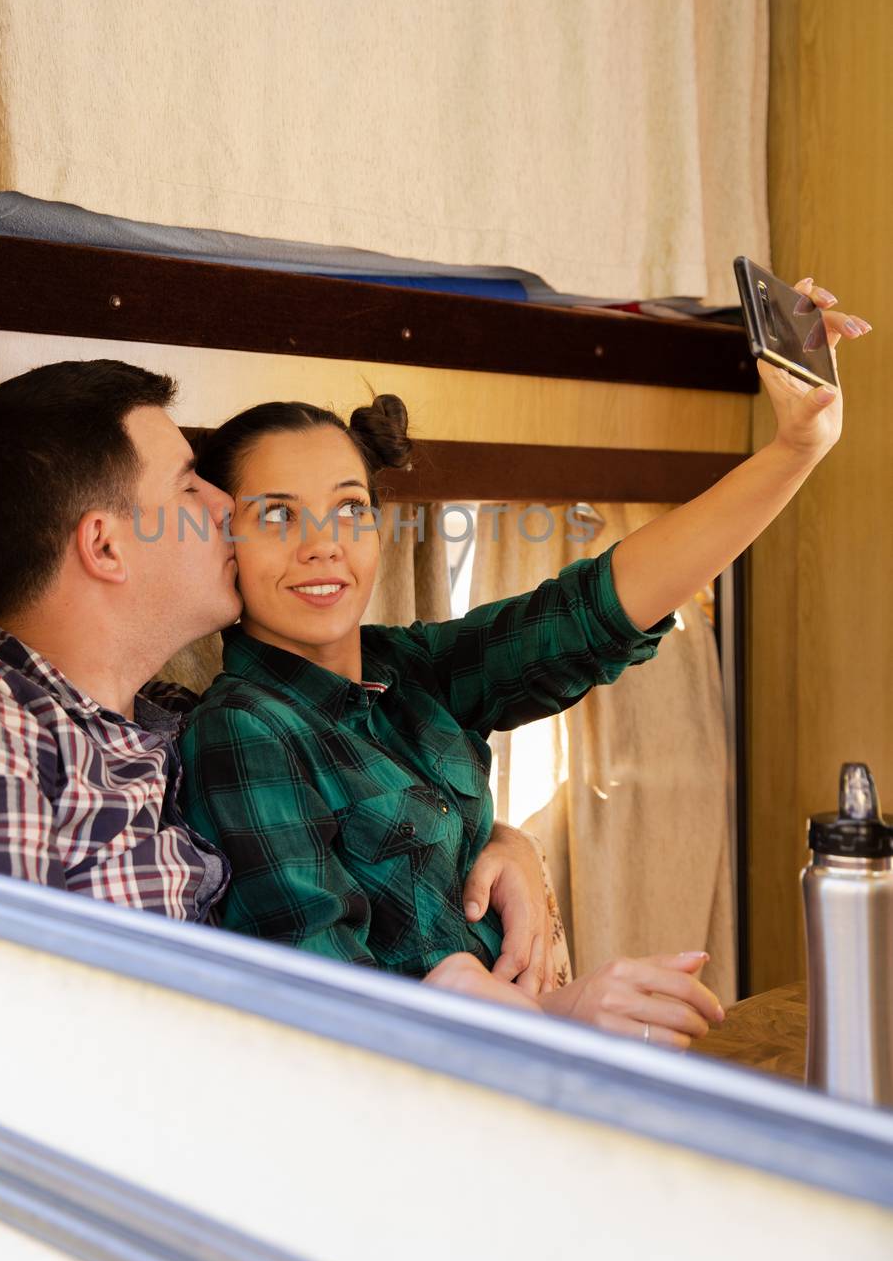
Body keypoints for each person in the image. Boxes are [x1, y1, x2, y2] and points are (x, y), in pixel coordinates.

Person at [179, 277, 872, 1044]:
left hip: (535, 1070)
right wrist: (554, 1014)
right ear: (222, 540)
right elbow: (327, 1013)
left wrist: (796, 448)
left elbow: (597, 609)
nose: (324, 544)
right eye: (277, 515)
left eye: (350, 508)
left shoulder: (409, 671)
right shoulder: (242, 730)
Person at [0, 360, 567, 986]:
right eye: (189, 487)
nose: (226, 508)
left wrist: (502, 842)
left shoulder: (179, 723)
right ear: (106, 546)